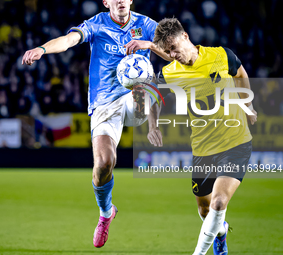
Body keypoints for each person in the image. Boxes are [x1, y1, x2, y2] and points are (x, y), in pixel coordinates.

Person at [22, 0, 171, 248]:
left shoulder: (146, 25)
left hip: (136, 94)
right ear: (106, 2)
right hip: (104, 102)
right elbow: (69, 40)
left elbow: (177, 52)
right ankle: (105, 212)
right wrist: (43, 49)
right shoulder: (97, 24)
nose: (121, 0)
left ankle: (151, 120)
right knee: (103, 164)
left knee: (151, 78)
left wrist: (150, 45)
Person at [147, 18, 257, 255]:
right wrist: (152, 126)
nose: (172, 54)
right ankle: (221, 232)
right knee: (205, 211)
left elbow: (240, 73)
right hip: (203, 150)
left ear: (185, 36)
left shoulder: (221, 55)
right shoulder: (169, 73)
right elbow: (154, 97)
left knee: (218, 203)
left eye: (174, 47)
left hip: (236, 143)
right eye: (167, 51)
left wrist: (247, 103)